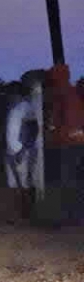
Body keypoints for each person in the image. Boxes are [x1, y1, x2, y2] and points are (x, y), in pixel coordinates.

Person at [48, 64, 84, 223]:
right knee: (73, 179)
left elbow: (67, 120)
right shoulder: (71, 92)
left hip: (68, 142)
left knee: (69, 180)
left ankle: (71, 216)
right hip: (74, 141)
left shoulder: (64, 94)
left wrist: (54, 131)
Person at [4, 82, 41, 220]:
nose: (10, 96)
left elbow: (32, 130)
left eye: (12, 93)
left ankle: (28, 214)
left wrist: (22, 150)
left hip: (21, 151)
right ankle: (17, 214)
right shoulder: (13, 109)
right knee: (13, 184)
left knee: (25, 183)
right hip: (11, 151)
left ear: (18, 94)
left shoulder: (26, 107)